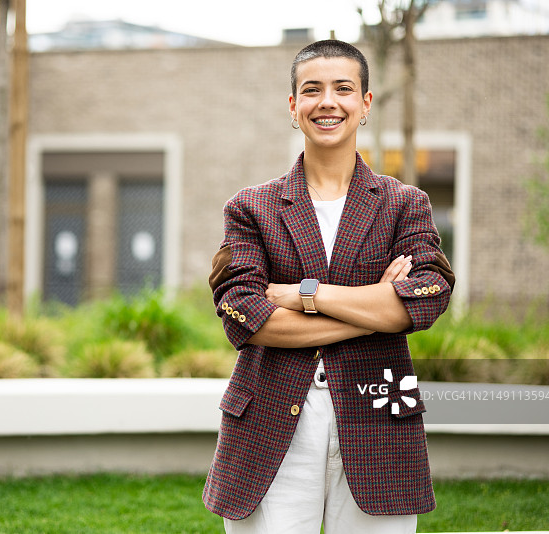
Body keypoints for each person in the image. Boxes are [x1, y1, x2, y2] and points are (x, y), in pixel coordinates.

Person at [203, 39, 455, 534]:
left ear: (365, 104)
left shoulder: (404, 204)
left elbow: (427, 297)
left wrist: (302, 295)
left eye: (343, 88)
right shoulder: (252, 208)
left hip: (381, 410)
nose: (328, 102)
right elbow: (246, 317)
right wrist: (375, 310)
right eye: (312, 90)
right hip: (270, 417)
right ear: (293, 106)